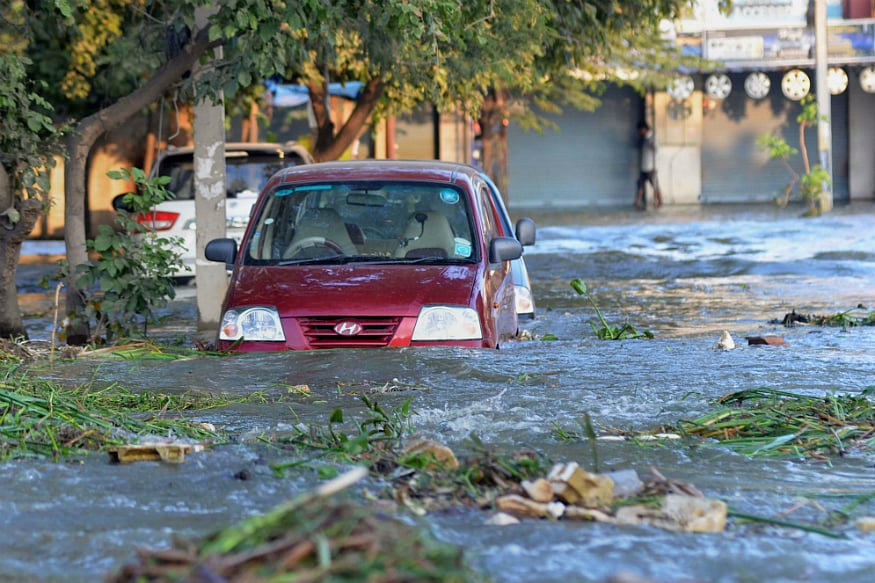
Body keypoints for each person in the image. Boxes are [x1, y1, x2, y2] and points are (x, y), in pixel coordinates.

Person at [635, 121, 662, 210]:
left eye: (641, 130)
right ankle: (638, 202)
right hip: (644, 167)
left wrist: (652, 145)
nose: (640, 132)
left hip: (651, 167)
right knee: (640, 184)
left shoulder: (652, 138)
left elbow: (656, 149)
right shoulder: (643, 139)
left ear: (645, 129)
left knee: (655, 185)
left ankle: (659, 201)